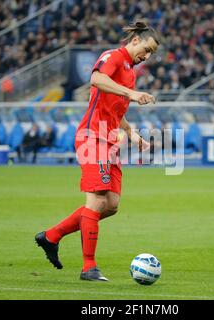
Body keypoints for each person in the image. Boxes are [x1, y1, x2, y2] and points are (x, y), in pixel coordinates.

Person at [35, 20, 159, 281]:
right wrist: (133, 94)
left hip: (110, 141)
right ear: (134, 40)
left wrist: (130, 131)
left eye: (151, 54)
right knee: (97, 200)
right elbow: (96, 79)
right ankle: (88, 267)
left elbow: (115, 110)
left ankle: (51, 236)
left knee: (111, 205)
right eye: (146, 49)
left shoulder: (130, 72)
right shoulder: (112, 56)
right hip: (93, 138)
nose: (146, 56)